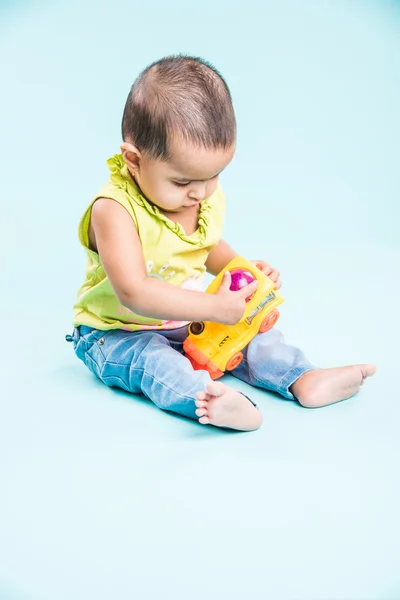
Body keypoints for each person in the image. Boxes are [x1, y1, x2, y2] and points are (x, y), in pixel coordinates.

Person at [68, 55, 376, 432]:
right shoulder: (114, 210)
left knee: (253, 339)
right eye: (182, 182)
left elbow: (207, 247)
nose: (199, 192)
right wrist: (212, 306)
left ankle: (302, 378)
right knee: (155, 364)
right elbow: (134, 290)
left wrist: (245, 273)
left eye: (214, 175)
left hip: (187, 320)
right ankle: (212, 400)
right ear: (134, 159)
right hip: (116, 333)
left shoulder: (199, 195)